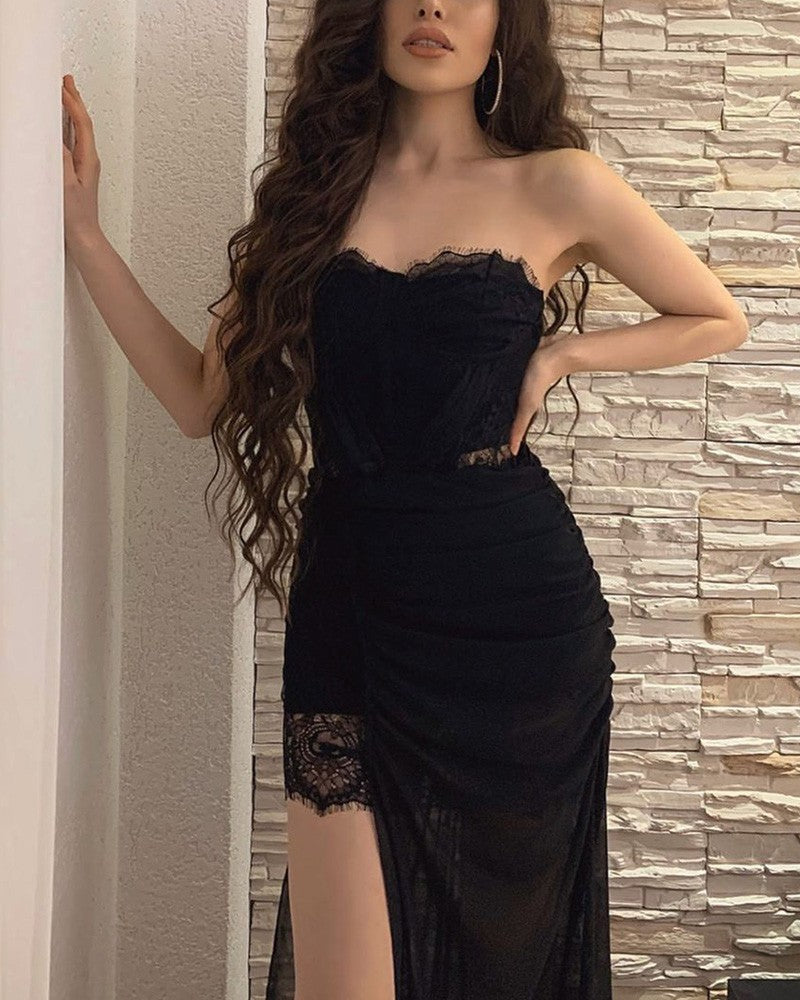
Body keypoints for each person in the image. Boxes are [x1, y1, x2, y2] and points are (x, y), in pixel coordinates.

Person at [61, 1, 748, 997]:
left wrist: (562, 355)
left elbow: (714, 315)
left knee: (502, 959)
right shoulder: (308, 202)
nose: (432, 6)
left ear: (503, 25)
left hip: (515, 623)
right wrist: (86, 236)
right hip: (349, 603)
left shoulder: (556, 183)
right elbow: (197, 401)